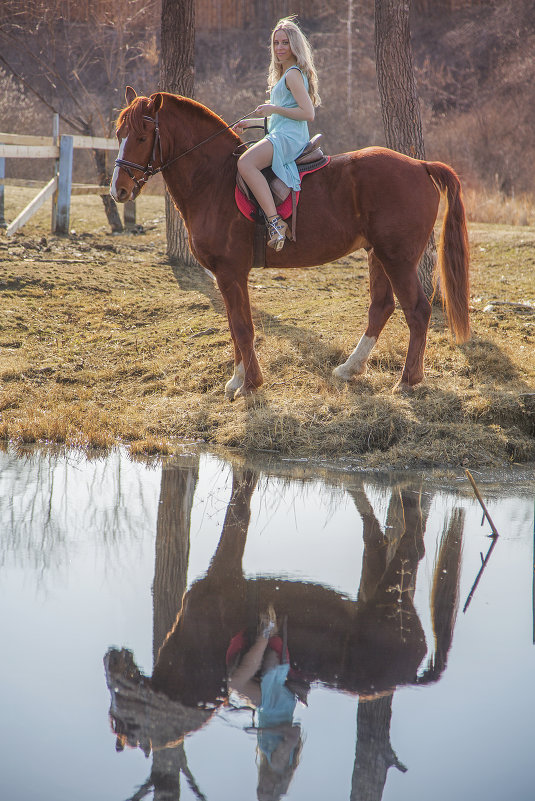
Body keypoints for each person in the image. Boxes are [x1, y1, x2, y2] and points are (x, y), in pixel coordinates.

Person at [233, 16, 321, 252]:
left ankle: (275, 221)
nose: (280, 48)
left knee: (246, 163)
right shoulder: (283, 76)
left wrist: (273, 108)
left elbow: (308, 113)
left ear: (294, 45)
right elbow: (282, 118)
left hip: (290, 139)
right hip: (281, 133)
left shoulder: (292, 74)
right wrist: (249, 123)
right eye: (276, 43)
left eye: (285, 42)